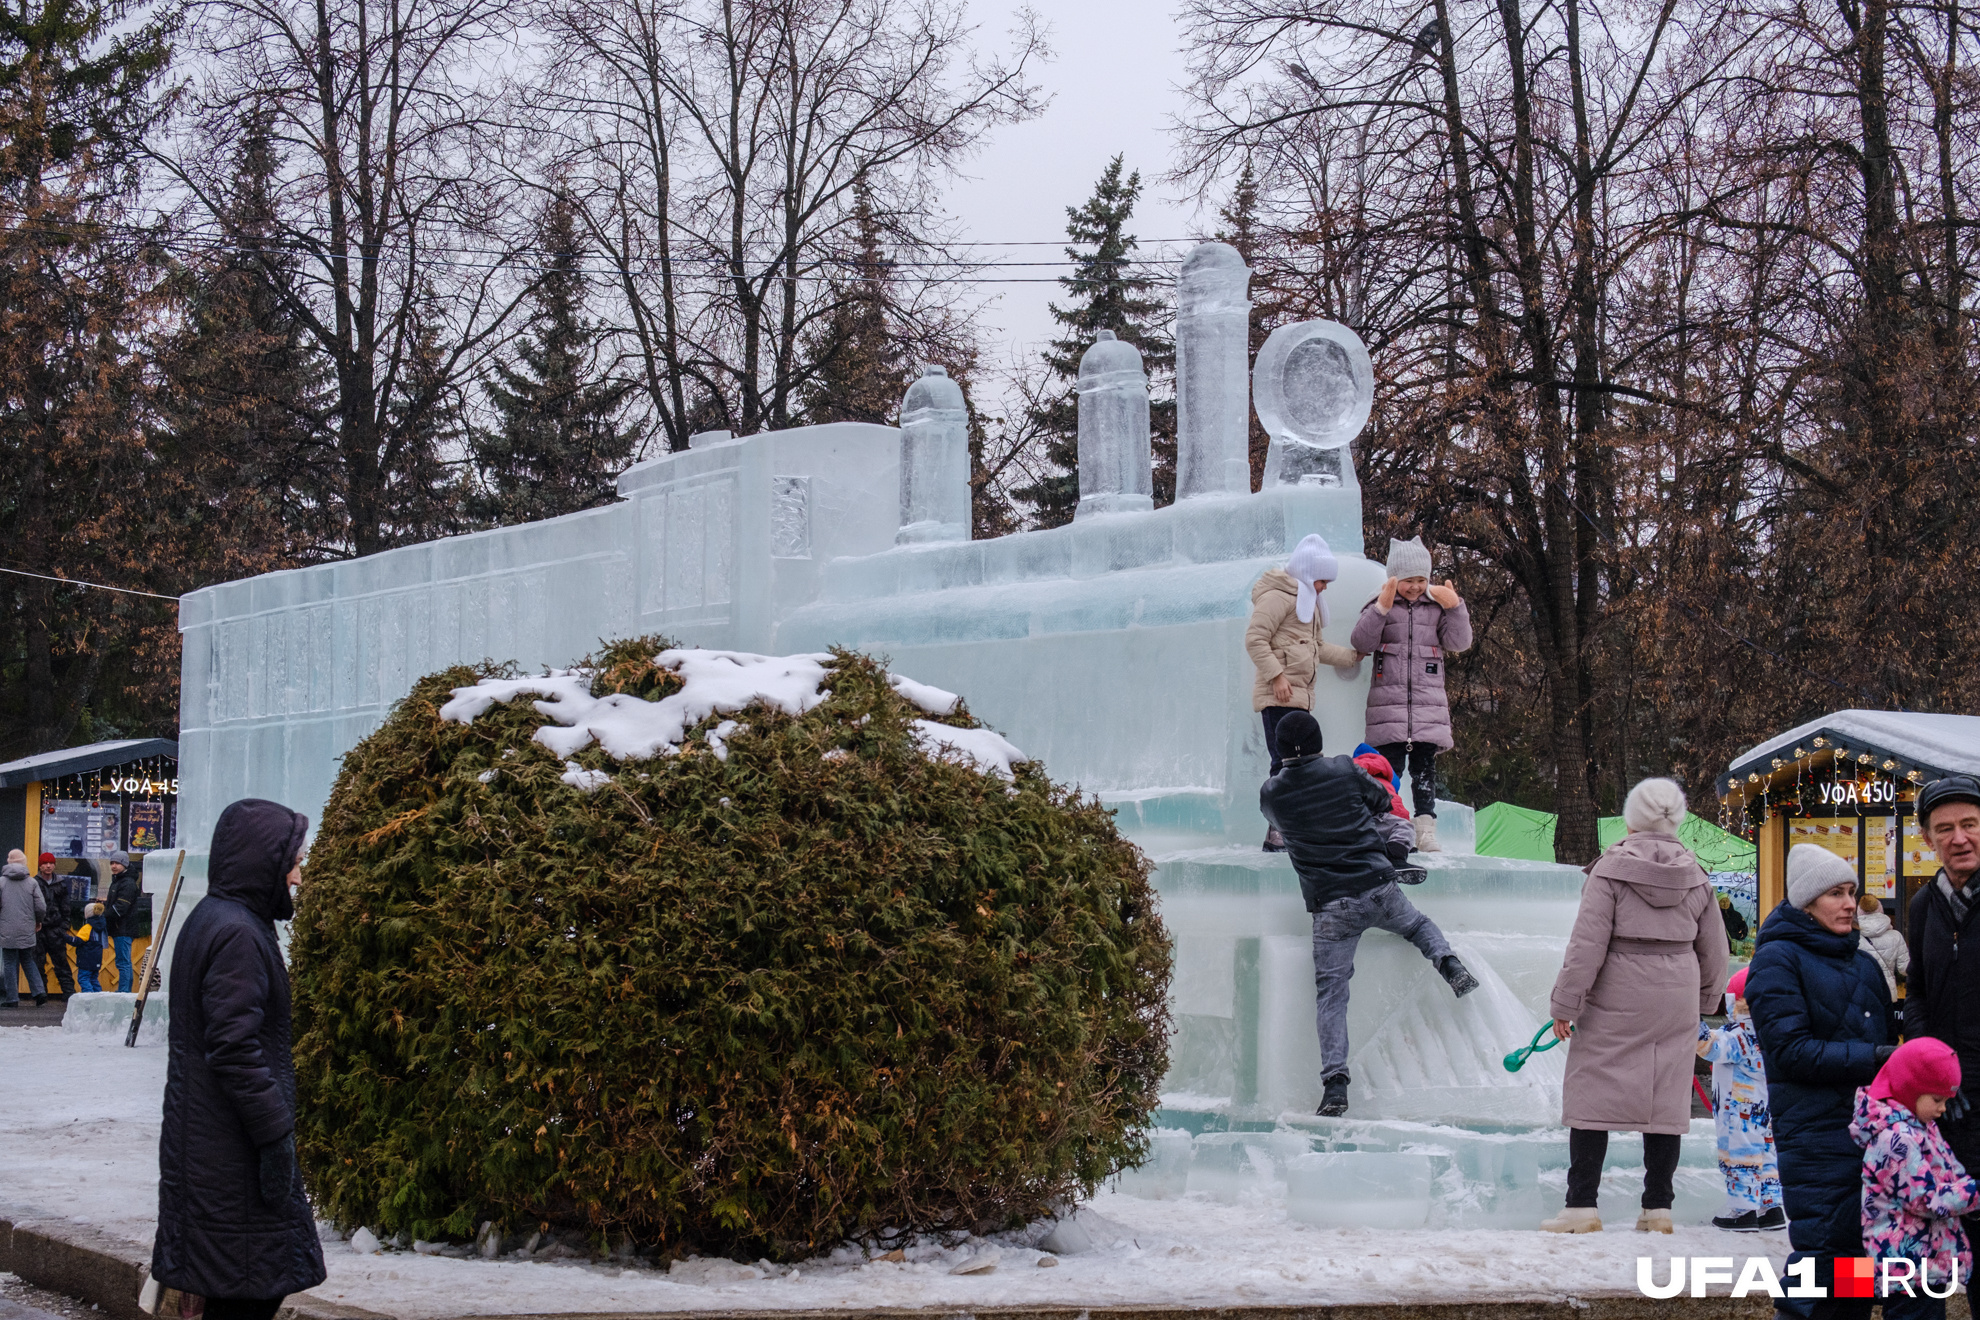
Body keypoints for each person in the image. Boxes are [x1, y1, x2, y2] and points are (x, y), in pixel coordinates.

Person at [150, 799, 326, 1320]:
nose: (297, 876)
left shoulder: (216, 918)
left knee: (233, 1288)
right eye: (291, 861)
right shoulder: (239, 934)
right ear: (261, 861)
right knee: (247, 1290)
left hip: (208, 1150)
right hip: (231, 1158)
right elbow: (234, 1047)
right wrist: (275, 1135)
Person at [1259, 710, 1477, 1118]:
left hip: (1329, 907)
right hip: (1376, 884)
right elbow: (1381, 800)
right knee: (1416, 925)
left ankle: (1335, 1086)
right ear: (1320, 739)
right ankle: (1449, 964)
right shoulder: (1343, 769)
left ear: (1281, 749)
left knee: (1332, 995)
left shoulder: (1272, 793)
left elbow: (1278, 825)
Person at [1542, 777, 1729, 1233]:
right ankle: (1657, 1209)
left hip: (1617, 988)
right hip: (1677, 991)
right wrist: (1703, 1002)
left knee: (1592, 1087)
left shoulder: (1610, 870)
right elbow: (1716, 949)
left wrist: (1566, 1003)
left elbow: (1586, 945)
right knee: (1666, 1095)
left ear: (1631, 818)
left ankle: (1581, 1206)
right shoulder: (1696, 874)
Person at [1747, 843, 1897, 1318]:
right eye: (1835, 893)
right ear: (1806, 903)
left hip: (1867, 1135)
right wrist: (1876, 1058)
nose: (1850, 903)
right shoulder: (1777, 961)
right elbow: (1791, 1051)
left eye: (1852, 891)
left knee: (1851, 1261)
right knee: (1821, 1260)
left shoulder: (1865, 963)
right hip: (1815, 1135)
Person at [1348, 536, 1471, 853]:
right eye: (1407, 581)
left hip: (1428, 708)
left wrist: (1455, 606)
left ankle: (1425, 829)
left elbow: (1459, 642)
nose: (1415, 587)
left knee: (1425, 773)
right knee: (1388, 773)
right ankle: (1389, 824)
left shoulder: (1436, 607)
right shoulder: (1381, 603)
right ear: (1394, 579)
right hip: (1388, 709)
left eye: (1421, 580)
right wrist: (1381, 608)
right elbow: (1361, 642)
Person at [1902, 773, 1980, 1254]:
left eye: (1970, 824)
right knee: (1968, 1237)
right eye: (1945, 828)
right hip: (1948, 1101)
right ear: (1929, 839)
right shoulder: (1924, 905)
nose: (1960, 838)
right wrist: (1925, 1072)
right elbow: (1919, 991)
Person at [1247, 535, 1359, 851]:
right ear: (1309, 575)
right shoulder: (1278, 597)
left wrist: (1351, 657)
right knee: (1282, 764)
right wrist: (1277, 677)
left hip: (1300, 697)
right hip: (1278, 696)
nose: (1324, 587)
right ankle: (1276, 831)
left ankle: (1294, 828)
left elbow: (1315, 648)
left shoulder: (1306, 601)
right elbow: (1255, 639)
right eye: (1322, 580)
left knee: (1299, 765)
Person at [1853, 1038, 1979, 1318]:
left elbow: (1951, 1172)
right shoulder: (1895, 1138)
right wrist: (1974, 1194)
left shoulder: (1922, 1127)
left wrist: (1966, 1189)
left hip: (1926, 1266)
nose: (1943, 1108)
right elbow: (1926, 1199)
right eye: (1937, 1099)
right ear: (1910, 1086)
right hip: (1906, 1269)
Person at [1697, 967, 1785, 1231]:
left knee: (1740, 1156)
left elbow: (1710, 1048)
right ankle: (1771, 1207)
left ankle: (1741, 1209)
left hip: (1738, 1113)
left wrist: (1692, 1022)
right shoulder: (1774, 1035)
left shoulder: (1739, 1036)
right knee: (1768, 1155)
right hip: (1767, 1110)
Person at [1351, 747, 1419, 869]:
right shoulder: (1389, 774)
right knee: (1404, 828)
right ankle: (1395, 858)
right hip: (1383, 815)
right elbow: (1397, 808)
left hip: (1358, 818)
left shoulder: (1352, 770)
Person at [1, 848, 48, 1007]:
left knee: (9, 962)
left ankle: (12, 999)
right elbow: (41, 907)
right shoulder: (32, 882)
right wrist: (38, 921)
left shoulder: (1, 882)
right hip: (27, 927)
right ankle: (39, 992)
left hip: (6, 928)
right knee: (28, 960)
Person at [32, 853, 77, 998]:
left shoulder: (61, 883)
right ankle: (41, 994)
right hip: (38, 929)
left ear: (54, 865)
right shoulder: (34, 883)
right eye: (45, 863)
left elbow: (66, 907)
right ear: (40, 865)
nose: (48, 866)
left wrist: (63, 926)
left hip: (56, 929)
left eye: (51, 863)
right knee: (38, 963)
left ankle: (69, 994)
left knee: (61, 963)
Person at [99, 850, 142, 993]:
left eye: (117, 863)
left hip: (123, 928)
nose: (114, 866)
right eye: (112, 863)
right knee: (123, 961)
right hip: (119, 928)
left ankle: (124, 991)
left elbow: (121, 907)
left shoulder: (127, 883)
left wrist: (104, 915)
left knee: (123, 962)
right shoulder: (118, 881)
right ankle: (124, 991)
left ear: (125, 864)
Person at [1858, 891, 1908, 999]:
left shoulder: (1852, 936)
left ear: (1859, 911)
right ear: (1880, 909)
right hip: (1886, 993)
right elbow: (1904, 969)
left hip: (1860, 993)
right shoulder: (1896, 936)